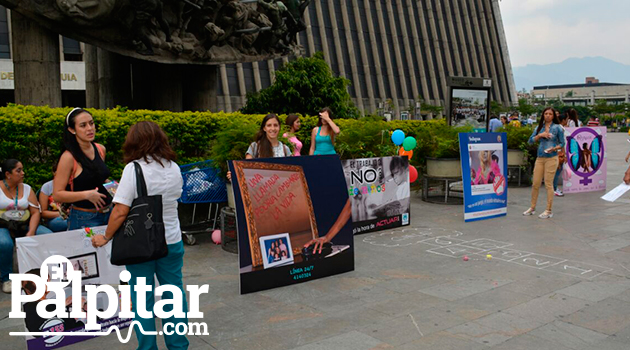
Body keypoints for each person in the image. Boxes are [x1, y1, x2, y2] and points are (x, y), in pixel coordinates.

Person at [91, 121, 189, 350]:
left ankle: (147, 347)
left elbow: (120, 211)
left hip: (142, 245)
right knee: (174, 295)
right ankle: (178, 345)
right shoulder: (174, 167)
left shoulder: (134, 169)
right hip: (172, 239)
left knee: (142, 301)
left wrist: (105, 237)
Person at [53, 108, 112, 230]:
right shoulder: (68, 157)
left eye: (91, 123)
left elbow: (99, 178)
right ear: (72, 130)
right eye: (83, 125)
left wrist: (115, 187)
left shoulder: (100, 149)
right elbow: (57, 195)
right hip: (84, 218)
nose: (90, 128)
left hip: (109, 214)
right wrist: (86, 195)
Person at [0, 159, 53, 293]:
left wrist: (31, 231)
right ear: (8, 174)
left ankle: (48, 273)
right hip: (4, 225)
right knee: (4, 243)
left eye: (22, 169)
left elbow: (35, 212)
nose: (23, 173)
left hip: (25, 224)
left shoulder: (27, 188)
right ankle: (7, 279)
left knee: (48, 236)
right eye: (19, 170)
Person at [523, 108, 566, 219]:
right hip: (540, 158)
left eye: (550, 114)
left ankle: (548, 210)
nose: (547, 116)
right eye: (546, 113)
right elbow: (530, 141)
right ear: (543, 115)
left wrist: (554, 148)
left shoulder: (557, 128)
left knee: (548, 184)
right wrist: (539, 135)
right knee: (535, 183)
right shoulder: (539, 128)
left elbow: (562, 143)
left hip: (552, 158)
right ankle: (532, 208)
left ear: (553, 116)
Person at [38, 162, 68, 232]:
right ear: (54, 173)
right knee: (69, 222)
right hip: (54, 219)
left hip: (73, 216)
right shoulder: (47, 187)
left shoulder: (71, 185)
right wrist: (62, 214)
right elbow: (43, 212)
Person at [553, 114, 568, 197]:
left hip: (555, 151)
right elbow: (561, 143)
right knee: (557, 171)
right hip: (558, 152)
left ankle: (553, 188)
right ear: (563, 120)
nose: (567, 121)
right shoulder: (560, 129)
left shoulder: (555, 127)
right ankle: (554, 189)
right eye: (566, 119)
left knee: (555, 171)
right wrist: (564, 155)